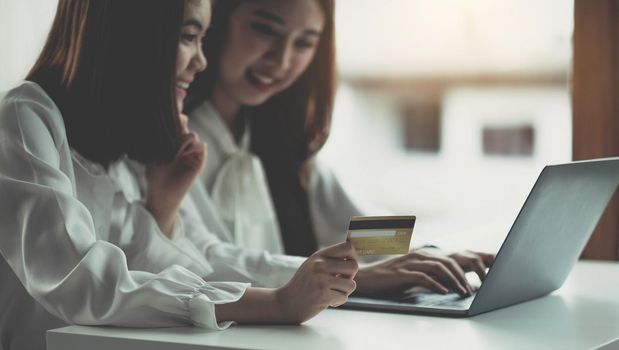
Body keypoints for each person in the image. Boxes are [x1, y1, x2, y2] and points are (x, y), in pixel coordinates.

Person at [0, 1, 357, 348]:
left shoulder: (122, 151)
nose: (202, 61)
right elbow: (79, 279)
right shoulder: (23, 118)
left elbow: (174, 270)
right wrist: (275, 304)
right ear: (132, 34)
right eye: (188, 37)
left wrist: (163, 206)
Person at [184, 0, 494, 297]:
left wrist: (432, 253)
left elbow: (353, 227)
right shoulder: (175, 143)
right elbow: (195, 257)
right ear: (216, 19)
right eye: (265, 30)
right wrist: (352, 277)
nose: (281, 60)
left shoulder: (278, 141)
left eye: (304, 43)